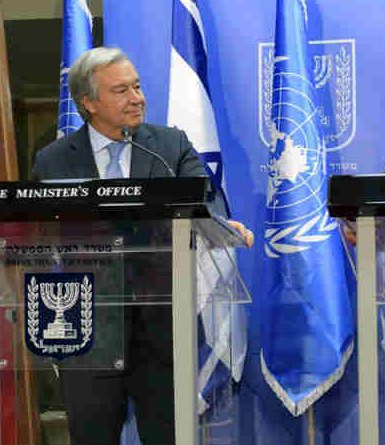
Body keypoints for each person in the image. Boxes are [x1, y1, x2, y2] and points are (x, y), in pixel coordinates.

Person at [32, 46, 252, 445]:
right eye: (120, 91)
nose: (137, 98)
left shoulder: (169, 146)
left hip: (161, 328)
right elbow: (43, 238)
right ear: (88, 103)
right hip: (88, 331)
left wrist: (220, 224)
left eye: (137, 86)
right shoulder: (54, 161)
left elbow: (204, 200)